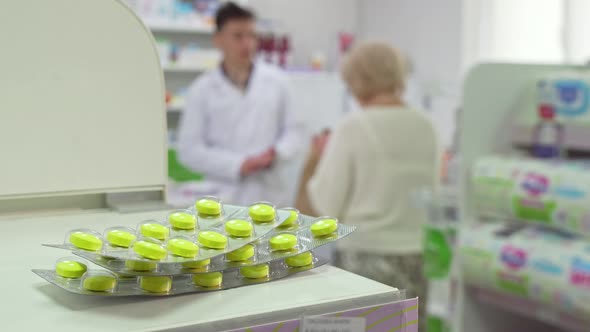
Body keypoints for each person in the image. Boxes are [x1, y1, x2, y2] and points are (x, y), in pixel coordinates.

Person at [296, 42, 439, 331]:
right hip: (418, 258)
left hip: (365, 262)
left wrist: (313, 160)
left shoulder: (354, 127)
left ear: (358, 82)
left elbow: (320, 210)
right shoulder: (428, 126)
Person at [177, 2, 304, 206]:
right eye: (238, 36)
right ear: (218, 39)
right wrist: (238, 165)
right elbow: (189, 150)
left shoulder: (278, 82)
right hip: (223, 197)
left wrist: (276, 153)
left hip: (269, 194)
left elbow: (295, 133)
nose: (248, 44)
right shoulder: (202, 89)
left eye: (252, 35)